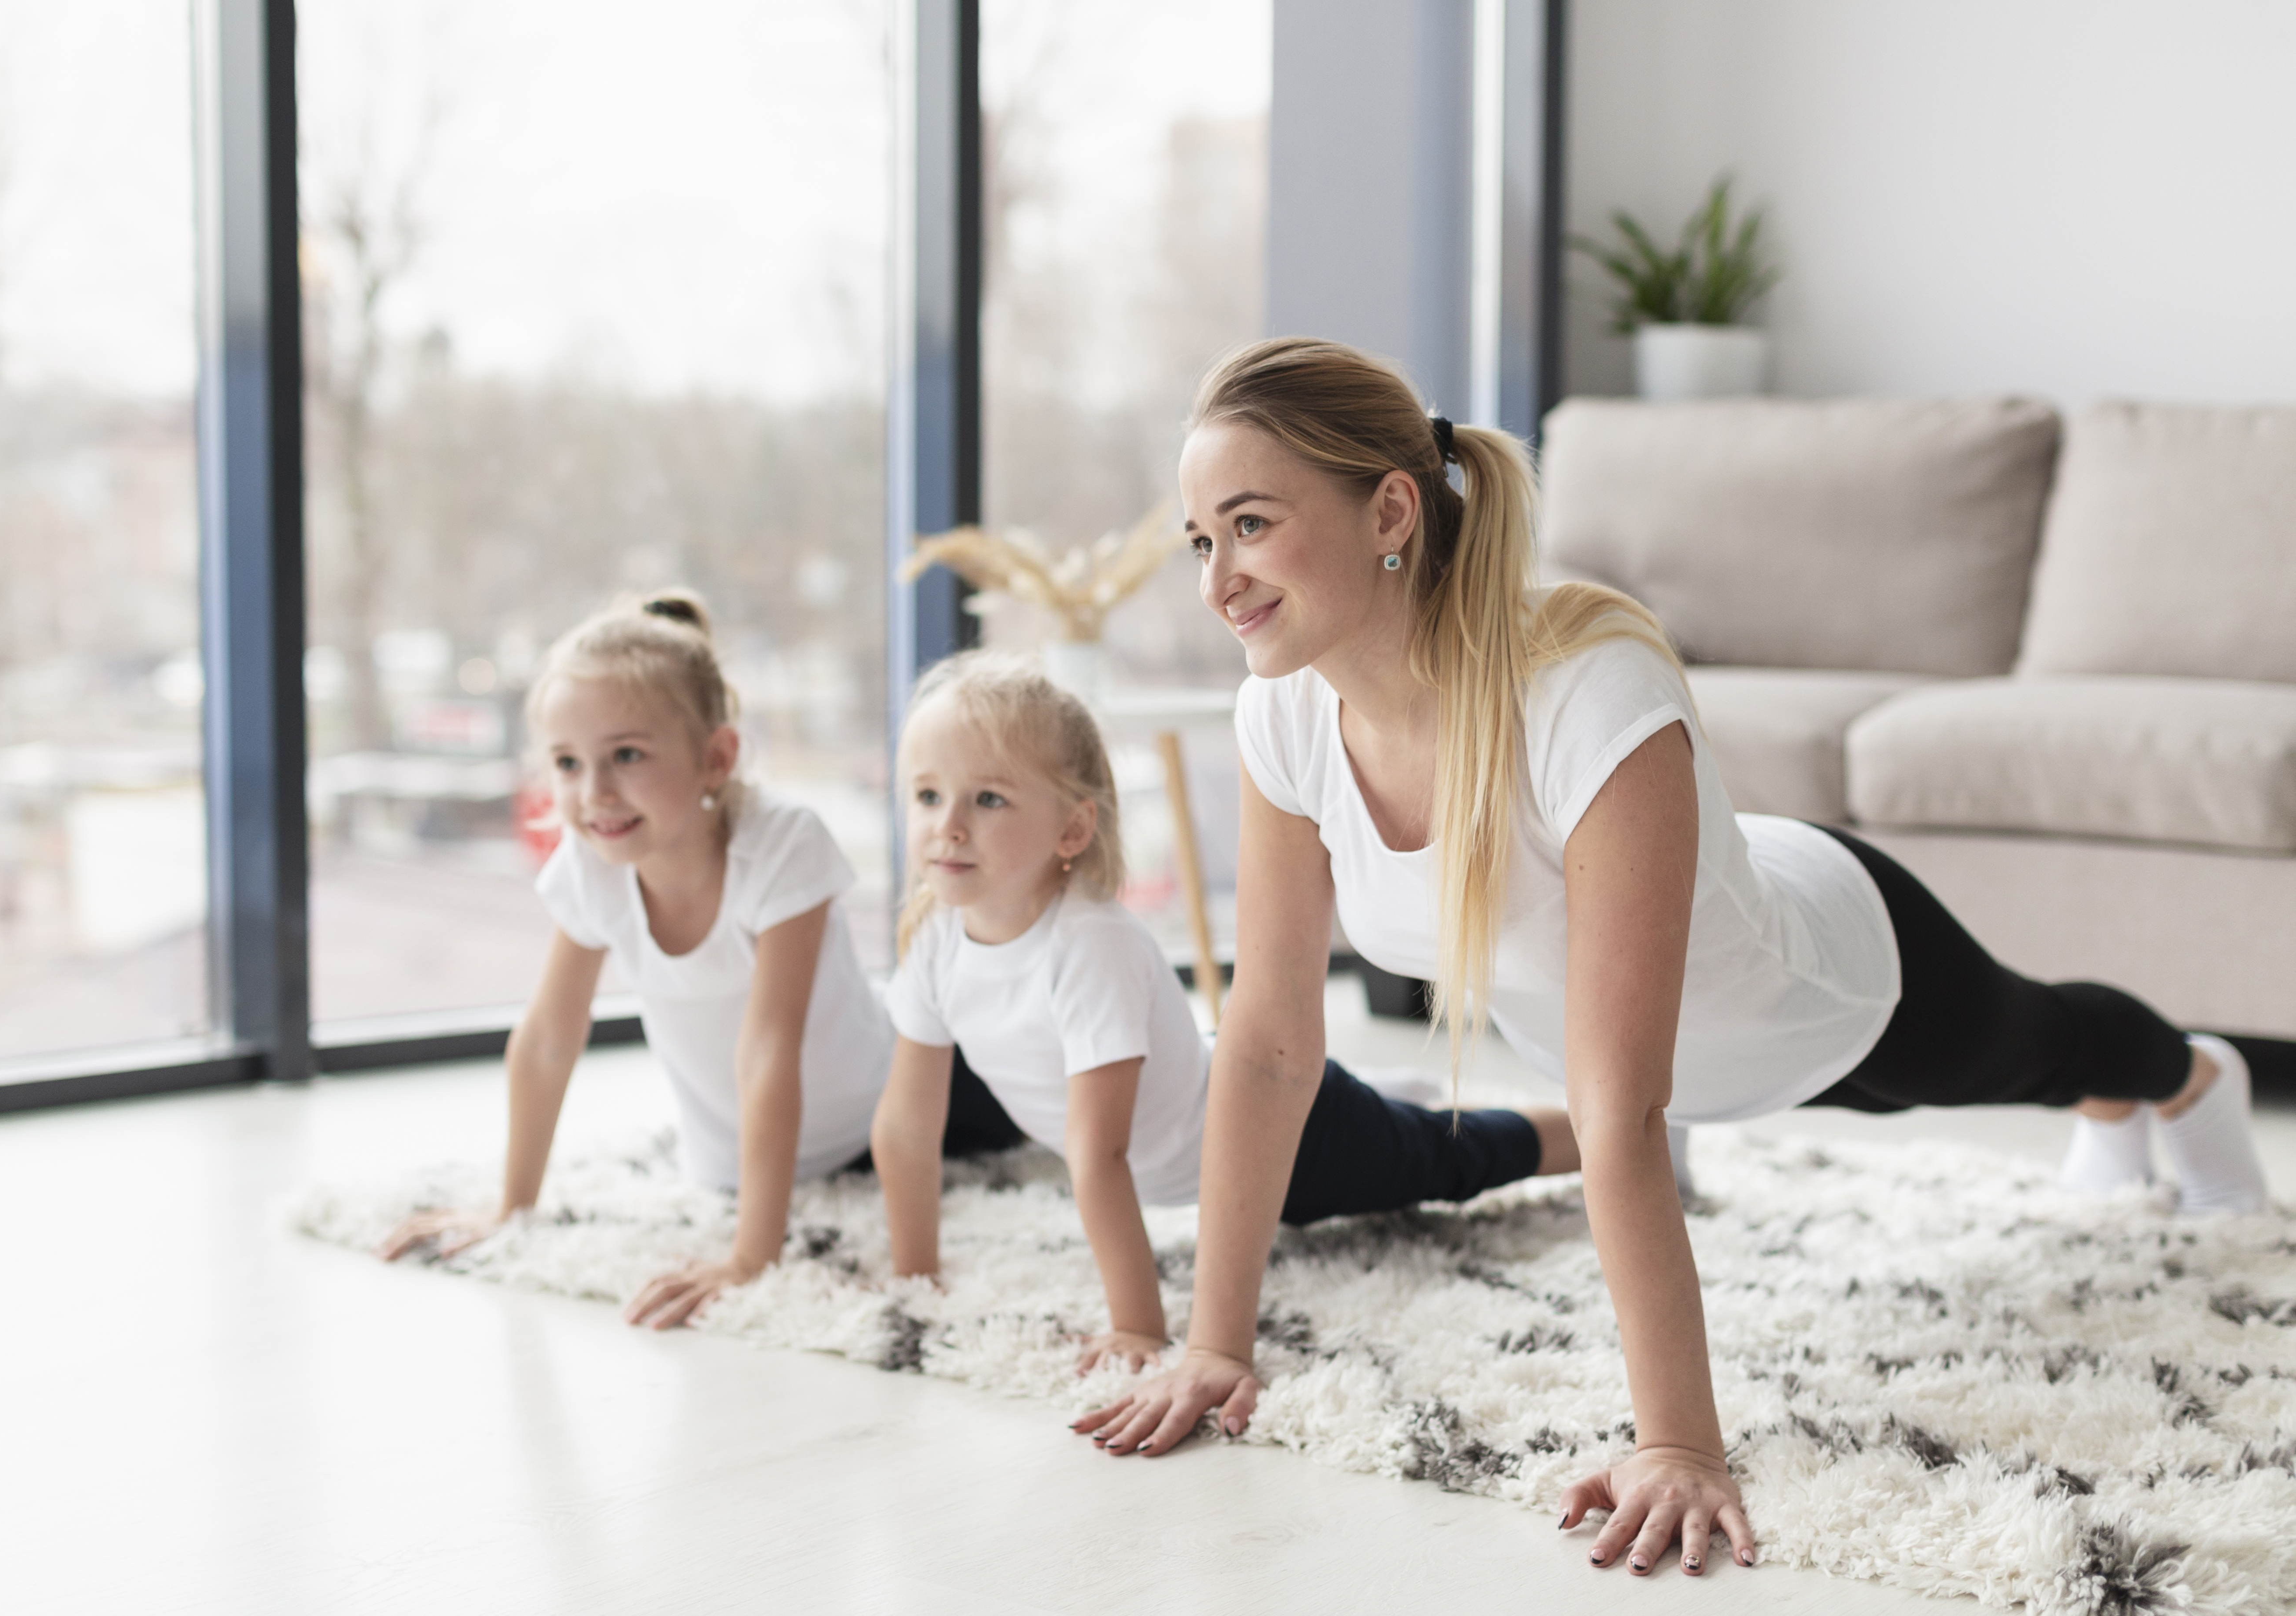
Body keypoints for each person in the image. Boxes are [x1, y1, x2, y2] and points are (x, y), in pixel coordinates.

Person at [1069, 338, 2273, 1577]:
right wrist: (1215, 1341)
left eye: (1250, 524)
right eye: (1198, 540)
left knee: (2040, 1046)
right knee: (1962, 1068)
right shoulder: (1283, 710)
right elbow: (1268, 1042)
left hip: (1821, 985)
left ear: (1386, 508)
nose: (1217, 579)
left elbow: (1623, 1105)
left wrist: (1679, 1445)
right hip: (1662, 1032)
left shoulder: (1583, 678)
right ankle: (2124, 1107)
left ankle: (2184, 1082)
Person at [872, 651, 1580, 1372]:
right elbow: (905, 1122)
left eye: (987, 799)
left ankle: (1596, 1135)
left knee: (1443, 1155)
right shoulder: (932, 937)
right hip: (1204, 1111)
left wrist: (1139, 1327)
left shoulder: (1089, 948)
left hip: (1280, 1133)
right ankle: (1397, 1092)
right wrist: (914, 1267)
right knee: (1407, 1120)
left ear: (1073, 829)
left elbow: (1099, 1154)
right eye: (927, 796)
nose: (948, 826)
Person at [378, 591, 1021, 1328]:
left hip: (887, 1112)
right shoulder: (593, 863)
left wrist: (754, 1253)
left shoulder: (780, 843)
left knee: (1035, 1077)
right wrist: (510, 1204)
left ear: (716, 757)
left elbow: (769, 1048)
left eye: (626, 755)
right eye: (566, 762)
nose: (595, 793)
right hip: (727, 1160)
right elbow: (550, 1037)